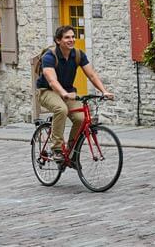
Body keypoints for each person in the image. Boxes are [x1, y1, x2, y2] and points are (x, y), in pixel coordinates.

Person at [36, 25, 113, 160]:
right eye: (67, 37)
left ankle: (71, 151)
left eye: (73, 37)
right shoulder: (49, 56)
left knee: (81, 118)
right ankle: (57, 149)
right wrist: (64, 93)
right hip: (47, 91)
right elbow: (52, 81)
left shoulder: (78, 54)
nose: (71, 40)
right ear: (58, 40)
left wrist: (104, 91)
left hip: (68, 92)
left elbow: (92, 75)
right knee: (61, 109)